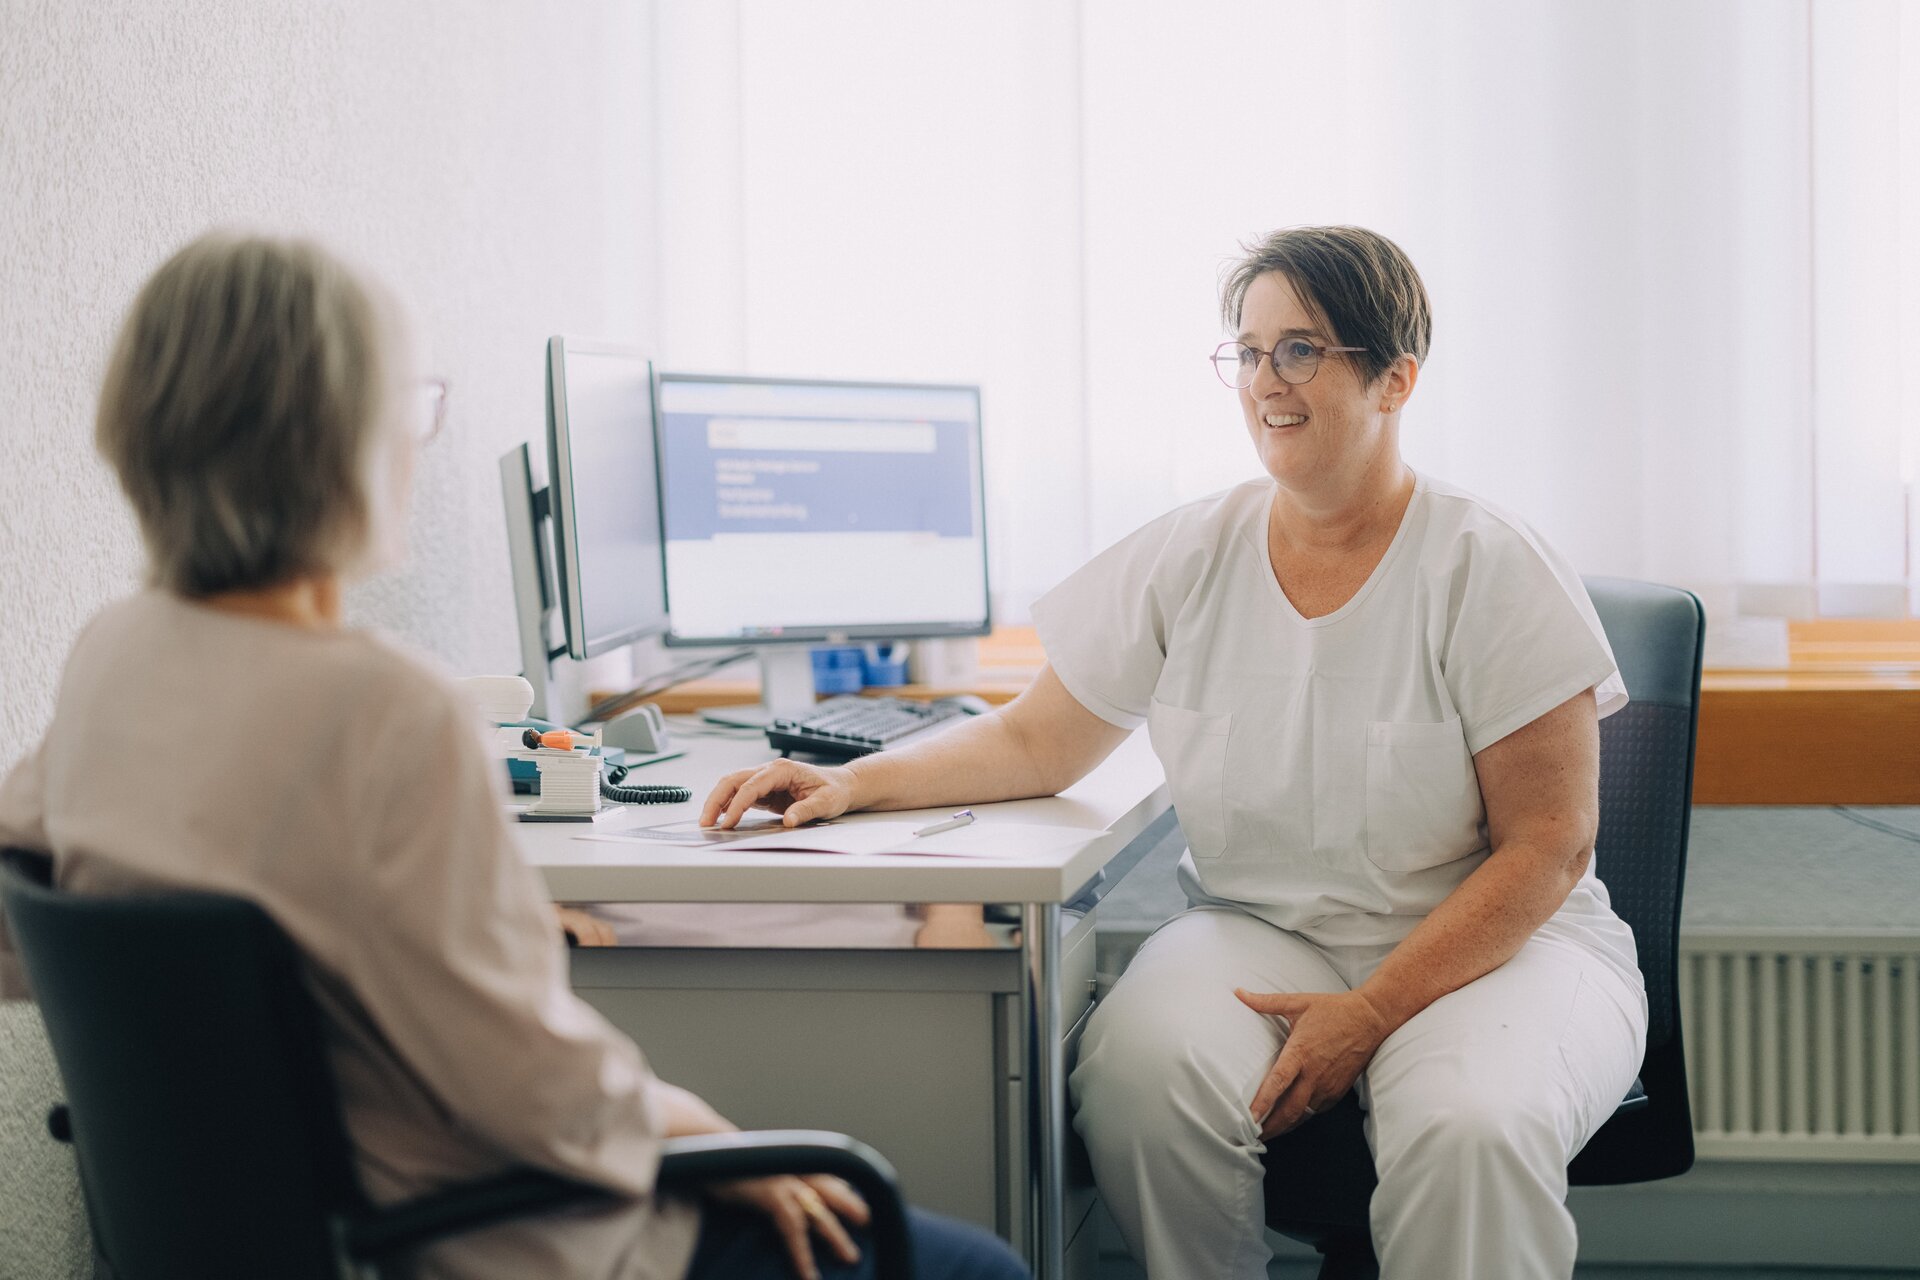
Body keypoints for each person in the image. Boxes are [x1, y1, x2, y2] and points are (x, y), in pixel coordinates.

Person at [0, 231, 1027, 1280]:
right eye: (412, 404)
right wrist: (701, 1134)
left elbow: (37, 888)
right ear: (343, 439)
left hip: (283, 1232)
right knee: (976, 1266)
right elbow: (527, 1081)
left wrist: (417, 930)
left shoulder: (113, 655)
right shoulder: (388, 707)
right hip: (493, 1238)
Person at [701, 226, 1649, 1278]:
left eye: (1302, 350)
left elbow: (1550, 846)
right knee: (1137, 1074)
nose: (1265, 381)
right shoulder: (1194, 551)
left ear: (1395, 378)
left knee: (1470, 1128)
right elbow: (1036, 736)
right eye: (1247, 351)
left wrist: (1372, 1011)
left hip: (1500, 949)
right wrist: (852, 779)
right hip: (1266, 931)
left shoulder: (1488, 562)